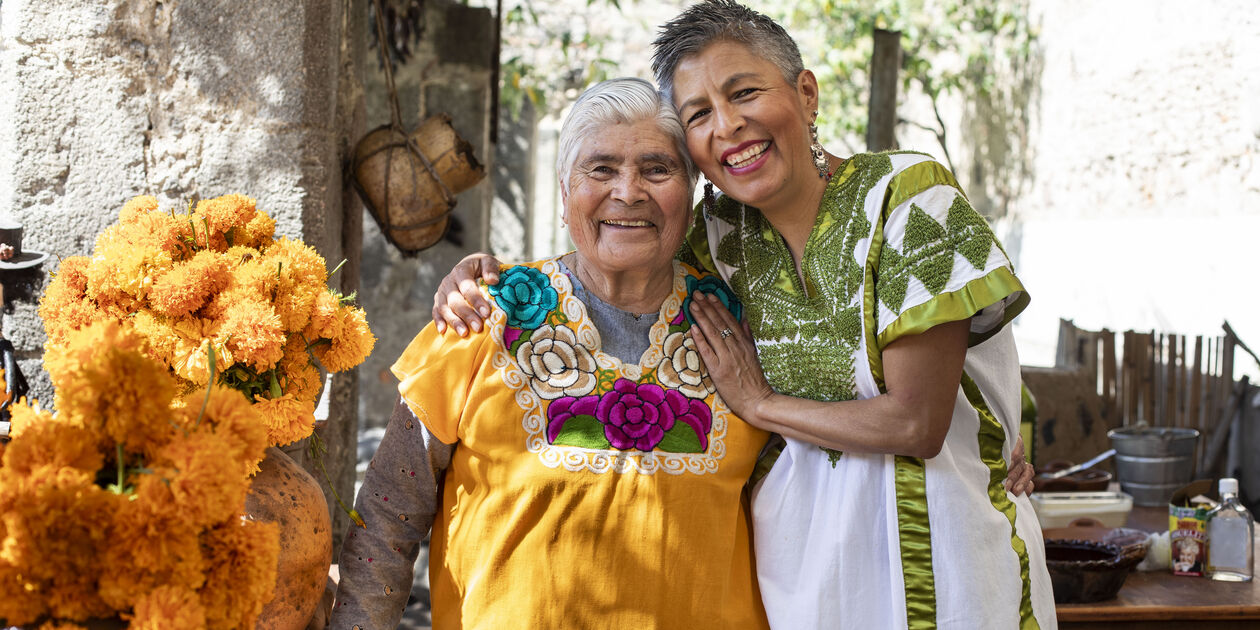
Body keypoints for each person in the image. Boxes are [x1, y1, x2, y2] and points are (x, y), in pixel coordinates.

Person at [428, 1, 1055, 628]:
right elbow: (616, 245)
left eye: (744, 92)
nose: (727, 125)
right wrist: (490, 276)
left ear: (806, 93)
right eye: (699, 113)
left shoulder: (908, 197)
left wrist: (761, 405)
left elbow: (918, 421)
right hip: (804, 577)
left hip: (945, 558)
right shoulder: (718, 236)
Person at [331, 77, 774, 629]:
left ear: (691, 193)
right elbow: (387, 517)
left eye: (657, 169)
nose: (629, 191)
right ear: (565, 194)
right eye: (602, 169)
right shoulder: (480, 316)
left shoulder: (744, 328)